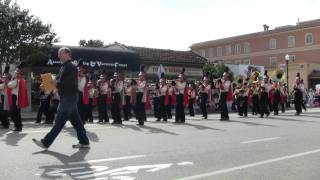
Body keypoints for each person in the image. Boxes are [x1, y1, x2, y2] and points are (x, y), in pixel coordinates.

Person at [32, 47, 90, 150]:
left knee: (59, 121)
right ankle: (84, 142)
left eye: (60, 53)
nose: (58, 55)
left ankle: (46, 143)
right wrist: (46, 85)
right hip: (68, 98)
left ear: (67, 54)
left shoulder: (71, 67)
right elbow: (56, 80)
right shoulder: (64, 67)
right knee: (76, 122)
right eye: (58, 54)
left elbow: (71, 84)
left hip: (69, 98)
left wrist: (55, 83)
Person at [7, 62, 29, 131]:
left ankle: (18, 125)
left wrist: (12, 79)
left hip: (16, 97)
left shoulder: (18, 80)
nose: (15, 73)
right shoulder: (19, 79)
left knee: (13, 112)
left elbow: (10, 85)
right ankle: (18, 126)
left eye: (16, 72)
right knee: (16, 113)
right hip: (15, 97)